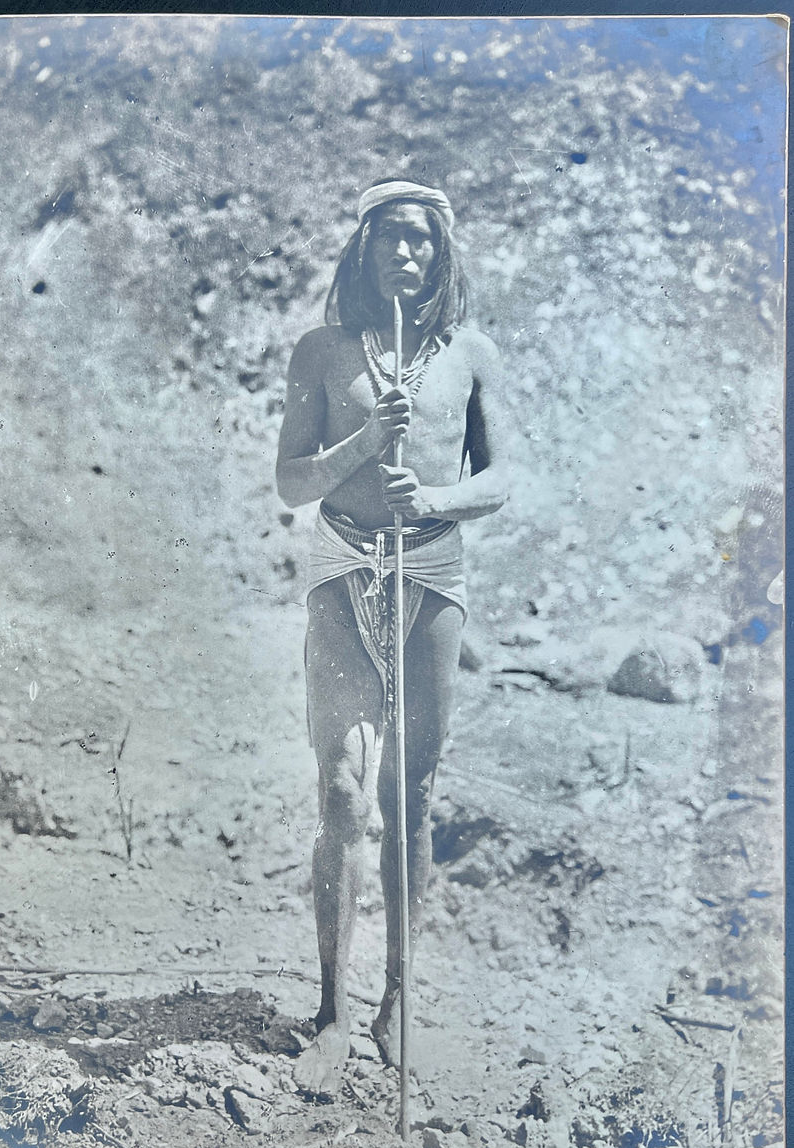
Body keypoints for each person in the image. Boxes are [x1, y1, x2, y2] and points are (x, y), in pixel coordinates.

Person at [276, 178, 514, 1096]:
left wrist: (437, 498)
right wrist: (365, 443)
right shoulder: (322, 350)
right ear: (365, 252)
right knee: (341, 787)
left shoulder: (472, 354)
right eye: (390, 241)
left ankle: (397, 1005)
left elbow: (503, 477)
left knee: (407, 789)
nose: (406, 256)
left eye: (421, 241)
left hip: (432, 575)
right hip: (342, 565)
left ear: (441, 254)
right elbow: (294, 482)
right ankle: (332, 1015)